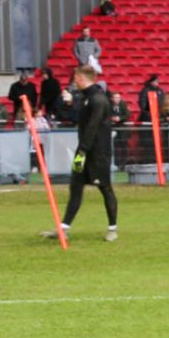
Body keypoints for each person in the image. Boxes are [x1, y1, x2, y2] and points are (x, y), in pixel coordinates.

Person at [41, 64, 117, 242]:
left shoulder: (98, 99)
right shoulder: (85, 98)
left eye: (76, 78)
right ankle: (64, 227)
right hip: (82, 151)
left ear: (82, 78)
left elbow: (92, 127)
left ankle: (113, 228)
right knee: (75, 185)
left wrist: (82, 150)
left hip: (98, 154)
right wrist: (68, 105)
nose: (74, 81)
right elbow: (77, 119)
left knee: (105, 188)